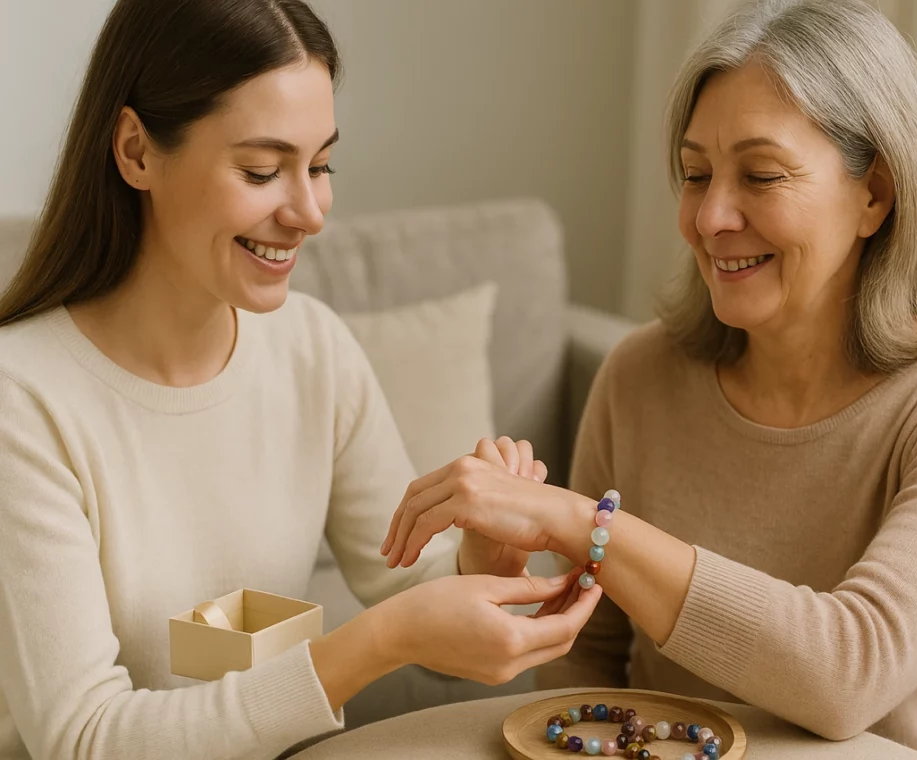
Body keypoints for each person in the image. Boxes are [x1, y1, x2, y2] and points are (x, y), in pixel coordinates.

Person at [381, 1, 917, 758]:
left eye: (761, 175)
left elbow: (849, 674)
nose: (709, 218)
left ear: (876, 195)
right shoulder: (638, 377)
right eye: (696, 175)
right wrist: (499, 576)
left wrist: (579, 523)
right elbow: (584, 668)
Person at [0, 1, 600, 758]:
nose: (311, 212)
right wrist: (380, 641)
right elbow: (84, 739)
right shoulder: (23, 400)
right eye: (261, 171)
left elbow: (406, 588)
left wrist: (484, 559)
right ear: (136, 152)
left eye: (320, 166)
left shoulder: (313, 348)